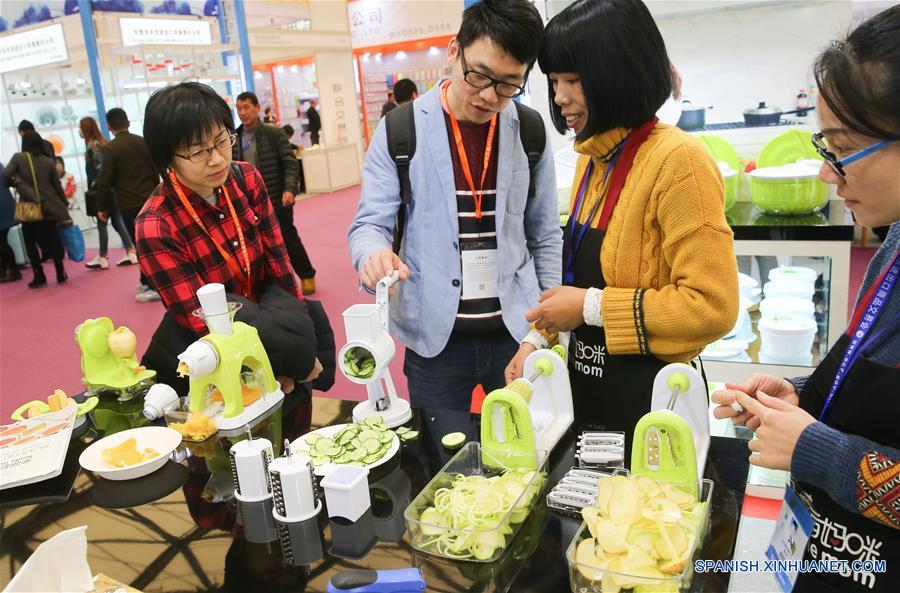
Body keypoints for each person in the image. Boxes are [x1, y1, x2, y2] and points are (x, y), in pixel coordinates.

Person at [713, 7, 900, 591]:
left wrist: (815, 449)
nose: (826, 174)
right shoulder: (895, 235)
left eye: (841, 147)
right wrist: (806, 402)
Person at [509, 0, 738, 449]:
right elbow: (579, 279)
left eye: (572, 80)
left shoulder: (679, 163)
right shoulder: (592, 160)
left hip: (655, 404)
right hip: (590, 392)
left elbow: (713, 306)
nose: (559, 98)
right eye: (554, 81)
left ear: (618, 70)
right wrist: (537, 339)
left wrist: (590, 308)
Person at [349, 0, 561, 413]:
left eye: (507, 84)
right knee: (439, 461)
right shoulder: (400, 129)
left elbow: (545, 234)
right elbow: (369, 224)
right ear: (453, 51)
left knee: (527, 452)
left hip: (514, 329)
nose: (488, 96)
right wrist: (371, 254)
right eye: (478, 75)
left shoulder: (530, 131)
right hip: (433, 336)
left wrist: (543, 327)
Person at [136, 81, 323, 395]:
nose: (218, 159)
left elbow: (279, 265)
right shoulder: (156, 225)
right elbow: (200, 319)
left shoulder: (247, 179)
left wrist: (299, 340)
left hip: (272, 321)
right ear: (168, 157)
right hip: (219, 356)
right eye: (198, 151)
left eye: (222, 140)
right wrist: (268, 367)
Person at [234, 91, 316, 295]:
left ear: (257, 108)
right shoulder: (235, 138)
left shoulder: (273, 133)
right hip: (246, 204)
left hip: (276, 199)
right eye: (239, 108)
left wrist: (290, 189)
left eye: (246, 107)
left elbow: (289, 164)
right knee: (257, 246)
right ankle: (273, 285)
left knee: (288, 238)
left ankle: (307, 275)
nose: (242, 112)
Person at [95, 108, 160, 300]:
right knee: (154, 242)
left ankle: (151, 285)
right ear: (128, 122)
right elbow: (155, 170)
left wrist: (101, 206)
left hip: (129, 203)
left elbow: (105, 180)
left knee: (140, 245)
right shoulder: (144, 142)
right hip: (151, 199)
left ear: (109, 125)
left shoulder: (111, 148)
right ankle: (146, 280)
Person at [2, 132, 71, 287]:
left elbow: (6, 174)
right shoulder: (47, 161)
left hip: (28, 206)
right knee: (53, 238)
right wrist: (63, 202)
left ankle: (39, 274)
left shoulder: (18, 158)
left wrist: (16, 182)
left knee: (30, 241)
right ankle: (60, 272)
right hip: (48, 205)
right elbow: (56, 185)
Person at [79, 117, 137, 270]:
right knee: (116, 221)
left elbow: (100, 174)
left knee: (102, 222)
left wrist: (98, 194)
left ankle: (104, 256)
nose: (79, 131)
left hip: (104, 191)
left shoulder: (94, 148)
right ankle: (129, 250)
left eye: (80, 128)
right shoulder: (103, 144)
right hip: (112, 191)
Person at [0, 165, 21, 283]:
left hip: (2, 209)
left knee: (1, 242)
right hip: (8, 207)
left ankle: (13, 269)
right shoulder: (1, 167)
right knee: (2, 240)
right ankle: (4, 269)